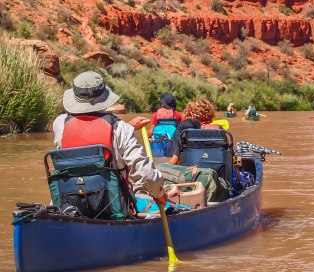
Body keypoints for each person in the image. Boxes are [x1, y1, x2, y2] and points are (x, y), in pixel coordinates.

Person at [52, 71, 169, 213]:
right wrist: (159, 193)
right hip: (111, 210)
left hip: (68, 206)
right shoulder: (120, 128)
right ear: (104, 98)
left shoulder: (60, 124)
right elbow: (146, 174)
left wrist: (128, 127)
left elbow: (85, 140)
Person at [168, 98, 219, 165]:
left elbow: (173, 162)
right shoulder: (219, 129)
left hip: (191, 169)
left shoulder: (186, 132)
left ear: (191, 114)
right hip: (217, 169)